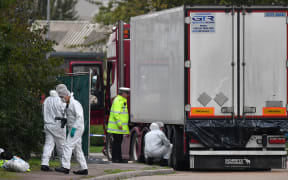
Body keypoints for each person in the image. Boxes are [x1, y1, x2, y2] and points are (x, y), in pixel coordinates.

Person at [54, 84, 88, 175]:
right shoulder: (68, 104)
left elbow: (79, 117)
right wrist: (65, 120)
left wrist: (74, 129)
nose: (61, 99)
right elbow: (71, 117)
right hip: (74, 128)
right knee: (77, 149)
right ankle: (84, 168)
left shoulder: (75, 104)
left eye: (62, 97)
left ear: (66, 95)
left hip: (76, 128)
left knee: (67, 146)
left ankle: (65, 167)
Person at [41, 90, 66, 171]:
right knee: (61, 146)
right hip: (58, 126)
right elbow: (64, 112)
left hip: (48, 125)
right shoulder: (60, 101)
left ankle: (44, 163)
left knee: (48, 144)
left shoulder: (47, 100)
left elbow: (43, 111)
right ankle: (64, 164)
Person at [107, 87, 130, 163]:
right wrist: (119, 124)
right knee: (116, 143)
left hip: (118, 127)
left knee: (118, 142)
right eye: (127, 93)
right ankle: (115, 158)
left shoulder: (121, 100)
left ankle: (118, 158)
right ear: (123, 93)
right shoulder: (118, 100)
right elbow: (116, 114)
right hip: (116, 127)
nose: (128, 95)